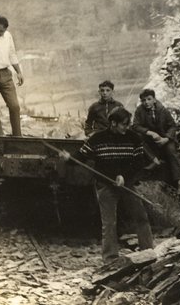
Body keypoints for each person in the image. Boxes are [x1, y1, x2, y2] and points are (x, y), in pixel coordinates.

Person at [59, 108, 157, 263]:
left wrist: (124, 176)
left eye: (128, 124)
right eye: (124, 124)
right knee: (109, 223)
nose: (127, 127)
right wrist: (69, 158)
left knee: (141, 217)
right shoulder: (98, 138)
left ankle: (149, 252)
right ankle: (110, 259)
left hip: (127, 184)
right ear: (113, 123)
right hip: (105, 185)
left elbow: (138, 163)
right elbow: (82, 155)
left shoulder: (134, 138)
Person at [132, 88, 180, 189]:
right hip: (149, 139)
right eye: (143, 100)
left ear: (154, 99)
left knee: (171, 150)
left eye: (149, 99)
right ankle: (154, 160)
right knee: (138, 138)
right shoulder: (139, 110)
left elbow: (172, 126)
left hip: (163, 138)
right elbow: (135, 126)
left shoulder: (162, 110)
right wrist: (150, 133)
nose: (146, 102)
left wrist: (166, 138)